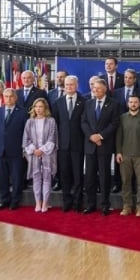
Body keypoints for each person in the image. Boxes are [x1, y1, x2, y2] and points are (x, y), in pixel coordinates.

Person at [81, 78, 120, 215]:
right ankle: (90, 204)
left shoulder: (114, 104)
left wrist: (100, 136)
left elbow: (114, 124)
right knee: (90, 177)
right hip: (90, 145)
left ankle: (105, 205)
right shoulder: (88, 103)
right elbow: (84, 122)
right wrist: (92, 136)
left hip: (105, 145)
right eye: (93, 88)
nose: (95, 90)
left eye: (98, 88)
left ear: (104, 89)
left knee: (104, 177)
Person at [0, 88, 27, 210]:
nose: (8, 99)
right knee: (3, 178)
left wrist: (25, 149)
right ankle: (4, 200)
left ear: (15, 98)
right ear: (3, 97)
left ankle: (15, 200)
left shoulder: (24, 112)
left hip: (17, 151)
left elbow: (27, 133)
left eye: (11, 96)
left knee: (16, 178)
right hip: (0, 150)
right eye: (6, 96)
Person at [52, 75, 86, 212]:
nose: (69, 87)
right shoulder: (58, 102)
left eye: (71, 85)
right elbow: (55, 124)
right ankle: (67, 201)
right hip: (63, 145)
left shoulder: (85, 102)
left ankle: (78, 203)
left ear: (77, 86)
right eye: (66, 85)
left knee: (78, 175)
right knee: (64, 174)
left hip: (79, 145)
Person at [116, 94, 140, 217]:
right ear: (128, 104)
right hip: (125, 156)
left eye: (135, 102)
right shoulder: (122, 118)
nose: (133, 104)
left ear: (139, 104)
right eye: (131, 102)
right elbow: (119, 136)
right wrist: (118, 152)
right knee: (125, 181)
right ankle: (127, 206)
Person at [23, 98, 58, 213]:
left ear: (45, 108)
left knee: (47, 178)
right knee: (36, 178)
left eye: (41, 106)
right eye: (36, 106)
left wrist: (42, 150)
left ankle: (45, 203)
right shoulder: (30, 122)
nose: (38, 109)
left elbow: (52, 137)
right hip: (33, 154)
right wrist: (34, 150)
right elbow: (26, 139)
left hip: (47, 153)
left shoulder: (51, 121)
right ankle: (38, 202)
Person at [47, 70, 67, 192]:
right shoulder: (50, 93)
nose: (60, 79)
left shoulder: (74, 93)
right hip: (52, 130)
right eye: (58, 77)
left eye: (62, 77)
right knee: (55, 158)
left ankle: (65, 181)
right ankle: (56, 180)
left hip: (66, 131)